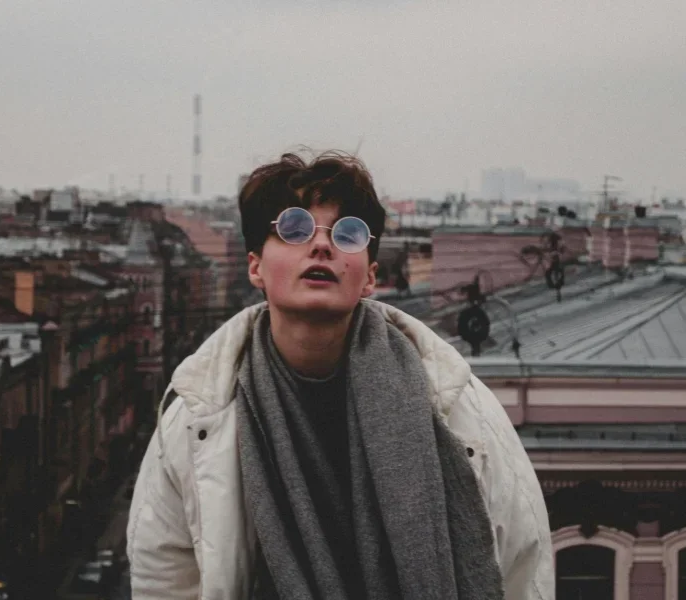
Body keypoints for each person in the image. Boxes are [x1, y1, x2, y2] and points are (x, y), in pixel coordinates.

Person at [127, 151, 554, 600]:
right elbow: (163, 581)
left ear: (369, 277)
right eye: (294, 229)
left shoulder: (458, 407)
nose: (321, 245)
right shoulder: (198, 416)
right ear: (255, 266)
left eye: (347, 234)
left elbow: (523, 568)